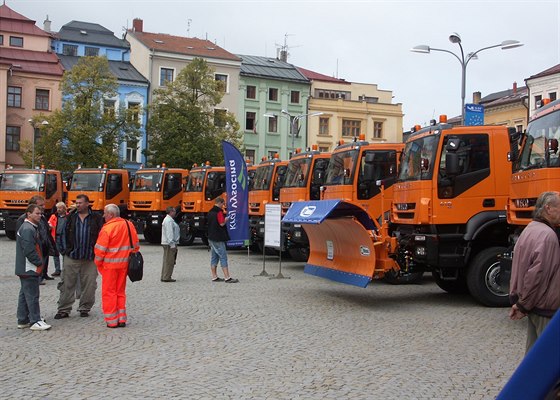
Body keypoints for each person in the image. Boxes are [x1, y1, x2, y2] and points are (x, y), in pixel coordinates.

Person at [509, 191, 560, 353]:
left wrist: (521, 302)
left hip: (534, 305)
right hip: (545, 306)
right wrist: (523, 305)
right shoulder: (548, 236)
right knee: (549, 358)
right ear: (548, 209)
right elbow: (537, 275)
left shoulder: (530, 229)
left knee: (533, 354)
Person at [54, 194, 104, 320]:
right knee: (66, 283)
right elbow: (61, 234)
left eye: (80, 203)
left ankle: (85, 308)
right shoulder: (70, 217)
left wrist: (98, 253)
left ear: (87, 204)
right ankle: (64, 309)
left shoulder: (96, 218)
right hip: (72, 256)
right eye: (77, 203)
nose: (78, 205)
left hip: (89, 257)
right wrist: (64, 251)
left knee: (89, 284)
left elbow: (102, 235)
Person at [94, 204, 139, 328]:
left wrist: (98, 264)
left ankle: (112, 321)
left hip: (109, 266)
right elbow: (135, 246)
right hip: (124, 265)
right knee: (120, 292)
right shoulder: (128, 225)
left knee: (109, 293)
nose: (103, 216)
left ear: (111, 215)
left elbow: (99, 251)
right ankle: (121, 319)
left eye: (105, 213)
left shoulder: (107, 229)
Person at [15, 204, 51, 331]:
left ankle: (23, 319)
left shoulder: (29, 227)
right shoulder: (27, 229)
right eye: (37, 213)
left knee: (25, 294)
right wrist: (39, 263)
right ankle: (34, 320)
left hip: (27, 267)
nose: (40, 215)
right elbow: (29, 250)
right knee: (32, 295)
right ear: (28, 214)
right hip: (29, 268)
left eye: (41, 213)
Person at [16, 195, 57, 284]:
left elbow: (46, 231)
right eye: (41, 205)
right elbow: (23, 241)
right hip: (34, 251)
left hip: (43, 245)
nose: (43, 207)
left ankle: (43, 275)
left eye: (43, 205)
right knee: (30, 290)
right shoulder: (24, 220)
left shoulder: (42, 216)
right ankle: (38, 278)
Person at [207, 197, 238, 283]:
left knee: (214, 257)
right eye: (223, 204)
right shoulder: (219, 212)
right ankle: (227, 277)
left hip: (211, 237)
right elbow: (221, 223)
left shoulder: (210, 212)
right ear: (220, 203)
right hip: (218, 238)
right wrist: (226, 219)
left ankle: (214, 276)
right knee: (223, 256)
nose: (223, 206)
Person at [48, 202, 68, 277]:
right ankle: (57, 270)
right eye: (57, 208)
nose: (58, 209)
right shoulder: (54, 216)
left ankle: (64, 269)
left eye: (60, 208)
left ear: (64, 208)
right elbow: (49, 223)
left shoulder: (68, 216)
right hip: (55, 236)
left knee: (64, 253)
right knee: (55, 253)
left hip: (64, 237)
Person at [160, 206, 180, 282]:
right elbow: (169, 233)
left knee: (166, 260)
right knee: (169, 261)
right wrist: (172, 244)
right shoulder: (169, 221)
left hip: (167, 243)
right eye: (174, 211)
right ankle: (167, 277)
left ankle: (164, 275)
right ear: (171, 212)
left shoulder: (168, 220)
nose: (175, 213)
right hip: (169, 244)